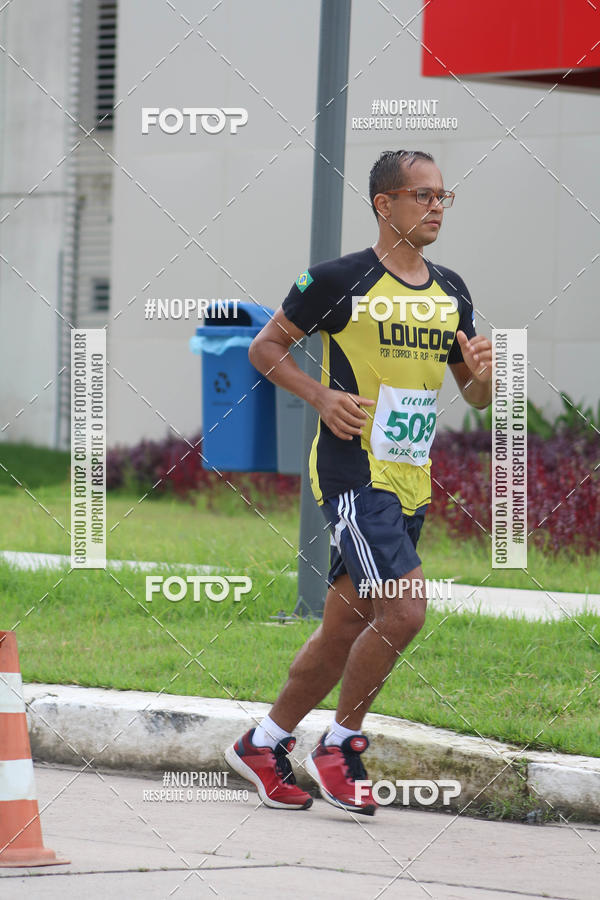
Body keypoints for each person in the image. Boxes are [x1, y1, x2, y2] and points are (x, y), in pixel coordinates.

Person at [225, 149, 492, 815]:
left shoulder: (452, 290)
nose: (436, 206)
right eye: (422, 195)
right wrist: (320, 397)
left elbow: (476, 395)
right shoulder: (337, 280)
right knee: (404, 610)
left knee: (345, 627)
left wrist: (486, 374)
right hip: (354, 472)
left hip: (411, 478)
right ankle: (339, 745)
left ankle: (263, 742)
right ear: (384, 204)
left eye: (442, 197)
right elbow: (265, 348)